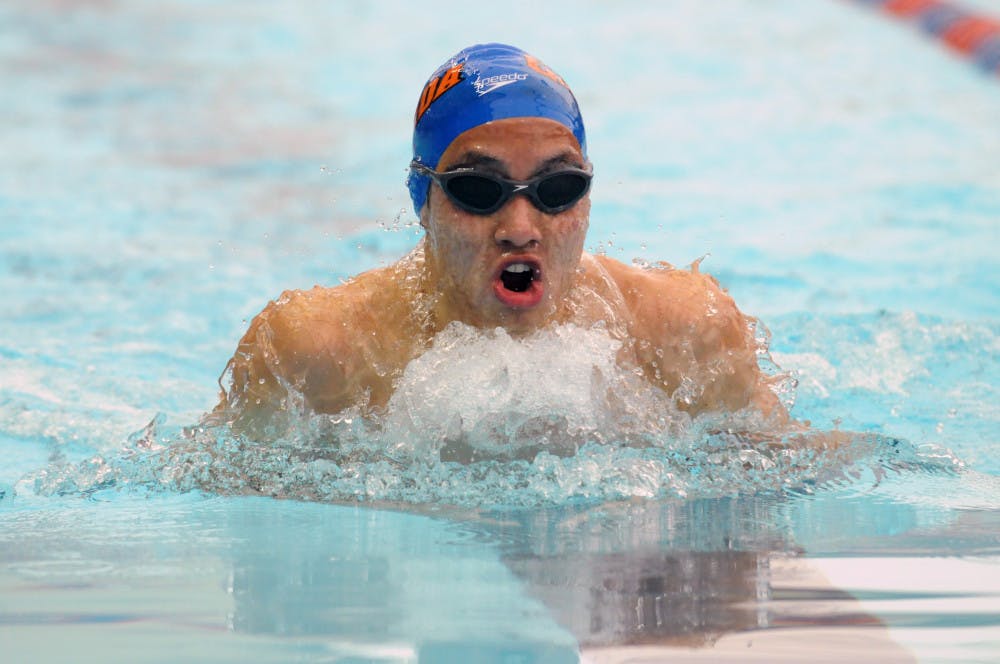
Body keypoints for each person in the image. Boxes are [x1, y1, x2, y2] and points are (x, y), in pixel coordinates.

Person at [214, 43, 788, 440]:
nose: (520, 227)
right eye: (478, 190)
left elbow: (788, 468)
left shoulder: (683, 330)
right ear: (424, 200)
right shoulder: (316, 352)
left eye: (556, 187)